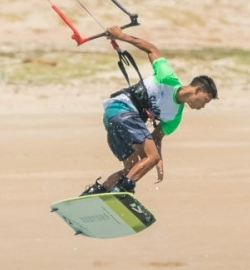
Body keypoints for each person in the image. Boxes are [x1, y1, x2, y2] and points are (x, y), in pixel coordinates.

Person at [82, 25, 217, 195]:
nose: (202, 106)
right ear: (197, 90)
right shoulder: (167, 78)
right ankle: (123, 189)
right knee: (147, 160)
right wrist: (121, 36)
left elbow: (156, 137)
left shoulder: (175, 117)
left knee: (132, 169)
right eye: (204, 101)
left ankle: (97, 193)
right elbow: (151, 48)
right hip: (121, 109)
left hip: (112, 116)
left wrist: (158, 159)